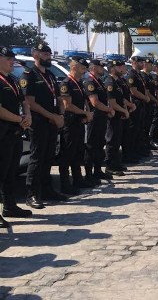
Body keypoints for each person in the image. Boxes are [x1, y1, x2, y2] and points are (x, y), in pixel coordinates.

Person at [21, 43, 66, 209]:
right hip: (39, 123)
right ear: (35, 55)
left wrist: (60, 115)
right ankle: (31, 194)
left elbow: (59, 98)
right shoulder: (29, 75)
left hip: (52, 123)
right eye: (44, 54)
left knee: (49, 157)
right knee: (37, 157)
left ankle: (47, 189)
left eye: (49, 53)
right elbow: (30, 103)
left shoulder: (51, 75)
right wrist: (52, 116)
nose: (48, 56)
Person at [0, 46, 32, 225]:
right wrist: (20, 118)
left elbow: (24, 101)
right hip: (3, 133)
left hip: (14, 132)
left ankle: (9, 206)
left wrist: (27, 115)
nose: (12, 61)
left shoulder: (12, 79)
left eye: (12, 58)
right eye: (8, 59)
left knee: (11, 172)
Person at [58, 57, 93, 195]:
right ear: (74, 68)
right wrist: (84, 112)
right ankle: (65, 184)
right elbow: (67, 106)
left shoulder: (78, 83)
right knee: (67, 154)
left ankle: (78, 179)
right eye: (82, 68)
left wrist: (85, 115)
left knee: (77, 153)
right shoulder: (66, 84)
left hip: (78, 122)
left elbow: (83, 102)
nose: (85, 71)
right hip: (69, 124)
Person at [84, 58, 116, 183]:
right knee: (91, 146)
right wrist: (109, 110)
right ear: (93, 68)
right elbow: (95, 102)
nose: (103, 69)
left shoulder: (99, 82)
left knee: (99, 145)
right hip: (94, 118)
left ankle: (97, 171)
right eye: (100, 67)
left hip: (101, 118)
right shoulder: (90, 82)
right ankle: (88, 174)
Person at [104, 60, 129, 176]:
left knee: (117, 141)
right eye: (119, 67)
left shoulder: (117, 82)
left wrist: (125, 108)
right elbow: (112, 103)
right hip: (113, 116)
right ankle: (109, 166)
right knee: (111, 141)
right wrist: (124, 110)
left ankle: (116, 163)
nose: (121, 68)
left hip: (118, 115)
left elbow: (121, 99)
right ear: (112, 69)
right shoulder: (110, 82)